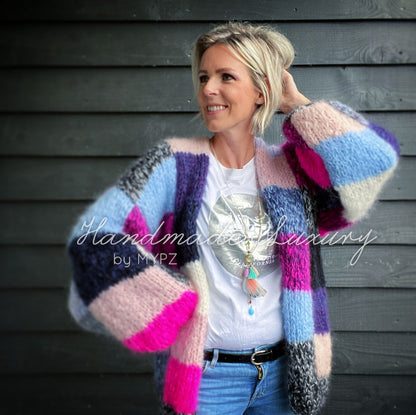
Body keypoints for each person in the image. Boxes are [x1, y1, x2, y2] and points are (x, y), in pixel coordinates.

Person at [67, 22, 400, 415]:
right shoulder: (175, 165)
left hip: (283, 373)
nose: (208, 88)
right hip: (207, 380)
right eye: (204, 77)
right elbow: (94, 238)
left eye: (226, 76)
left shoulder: (291, 171)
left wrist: (296, 104)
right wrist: (166, 304)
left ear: (261, 90)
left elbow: (373, 161)